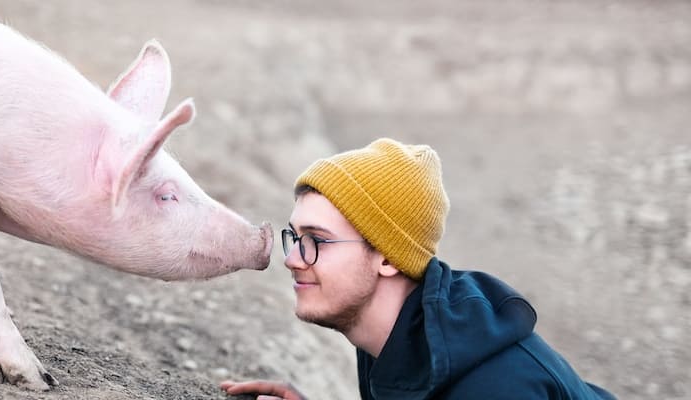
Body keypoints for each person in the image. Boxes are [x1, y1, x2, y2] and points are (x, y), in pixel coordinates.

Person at [220, 138, 615, 399]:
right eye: (295, 237)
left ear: (389, 257)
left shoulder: (494, 387)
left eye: (317, 241)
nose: (292, 259)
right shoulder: (400, 344)